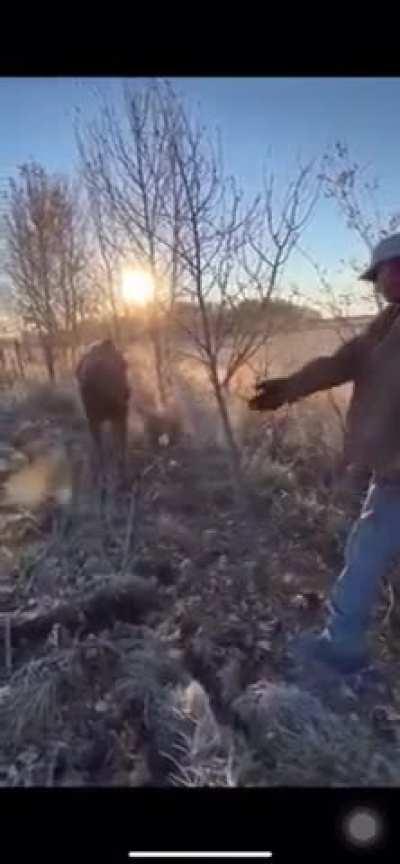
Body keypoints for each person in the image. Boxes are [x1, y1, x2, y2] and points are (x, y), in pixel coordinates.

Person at [248, 233, 400, 673]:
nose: (379, 285)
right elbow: (342, 362)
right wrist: (287, 389)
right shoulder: (387, 323)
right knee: (365, 549)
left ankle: (342, 648)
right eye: (377, 279)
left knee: (366, 551)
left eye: (384, 274)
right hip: (389, 470)